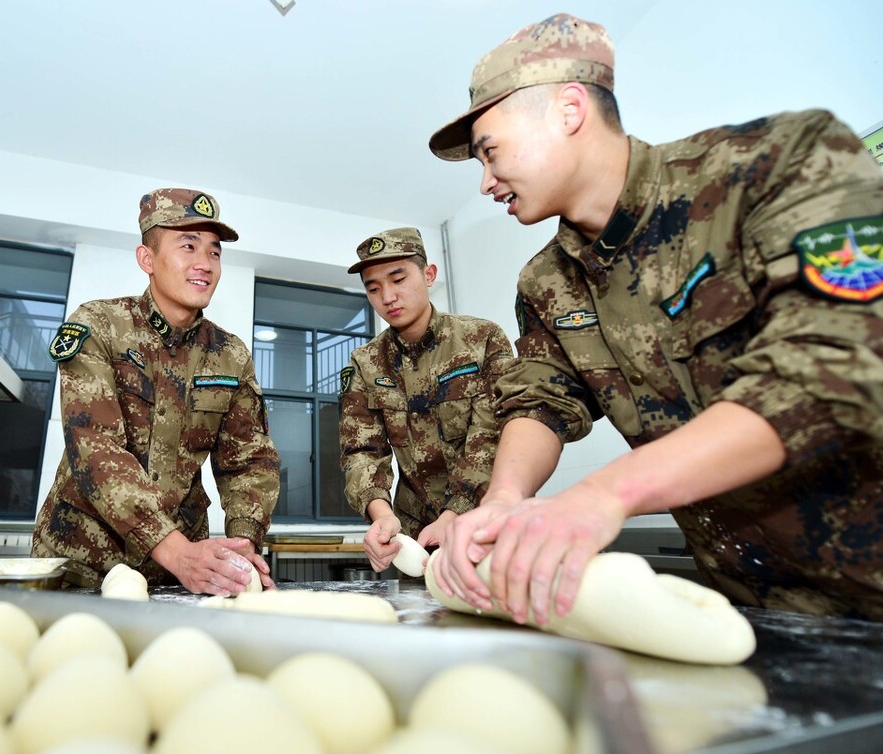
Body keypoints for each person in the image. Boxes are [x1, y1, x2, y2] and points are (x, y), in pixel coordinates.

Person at [426, 13, 883, 622]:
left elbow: (835, 364)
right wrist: (505, 499)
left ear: (568, 110)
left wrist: (605, 494)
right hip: (750, 606)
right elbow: (539, 401)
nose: (485, 182)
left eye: (490, 151)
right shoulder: (546, 282)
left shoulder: (776, 164)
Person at [32, 187, 280, 596]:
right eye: (188, 246)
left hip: (175, 578)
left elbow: (248, 459)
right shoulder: (100, 325)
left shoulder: (230, 354)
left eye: (215, 252)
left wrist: (243, 541)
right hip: (85, 562)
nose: (205, 264)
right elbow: (95, 448)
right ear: (147, 258)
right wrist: (178, 552)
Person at [338, 227, 512, 573]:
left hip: (487, 523)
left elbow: (494, 434)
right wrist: (381, 514)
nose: (387, 296)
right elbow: (361, 451)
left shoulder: (481, 339)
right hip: (416, 541)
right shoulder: (367, 362)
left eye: (398, 279)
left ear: (429, 275)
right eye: (373, 288)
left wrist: (455, 513)